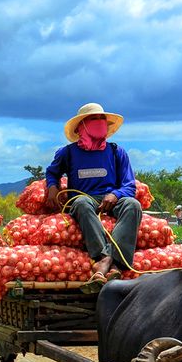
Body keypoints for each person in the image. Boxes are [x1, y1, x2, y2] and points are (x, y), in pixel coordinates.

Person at [45, 102, 141, 285]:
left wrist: (115, 195)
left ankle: (116, 264)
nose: (99, 122)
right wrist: (52, 187)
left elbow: (129, 186)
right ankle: (102, 257)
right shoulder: (68, 153)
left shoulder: (116, 152)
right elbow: (52, 172)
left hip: (112, 199)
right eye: (93, 119)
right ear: (82, 126)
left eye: (101, 119)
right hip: (84, 198)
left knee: (133, 205)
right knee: (81, 202)